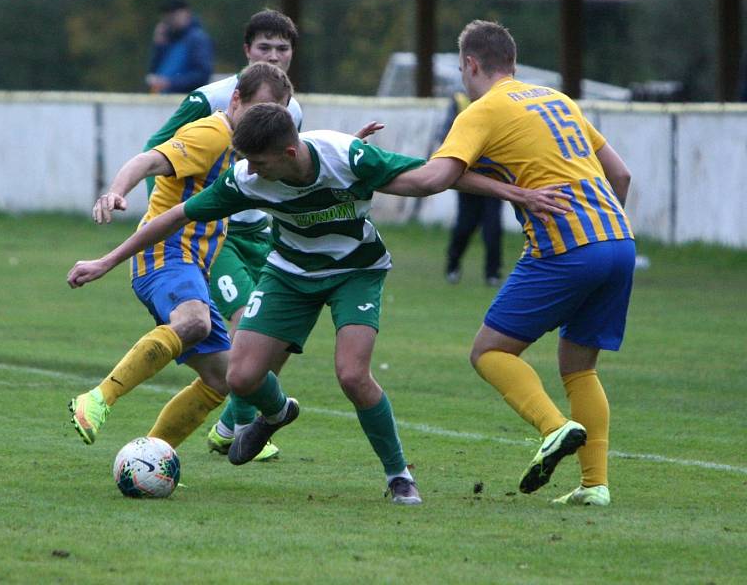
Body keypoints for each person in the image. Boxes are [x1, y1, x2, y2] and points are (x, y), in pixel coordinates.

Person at [67, 102, 569, 504]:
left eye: (259, 162)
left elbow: (431, 179)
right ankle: (275, 413)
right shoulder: (248, 178)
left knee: (352, 374)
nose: (250, 171)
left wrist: (514, 194)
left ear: (289, 151)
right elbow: (172, 217)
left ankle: (399, 477)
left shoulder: (347, 157)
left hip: (356, 271)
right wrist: (106, 262)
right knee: (239, 378)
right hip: (289, 274)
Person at [379, 20, 635, 507]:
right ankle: (595, 485)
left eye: (461, 69)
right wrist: (598, 230)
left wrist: (363, 165)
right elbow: (620, 173)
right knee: (579, 368)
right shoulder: (556, 99)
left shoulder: (484, 109)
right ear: (512, 63)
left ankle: (555, 427)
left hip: (565, 246)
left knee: (489, 351)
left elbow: (435, 177)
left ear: (471, 65)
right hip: (618, 240)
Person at [68, 63, 293, 454]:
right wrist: (116, 192)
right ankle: (97, 400)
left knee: (222, 379)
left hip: (193, 265)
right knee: (194, 321)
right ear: (236, 100)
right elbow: (149, 160)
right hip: (166, 253)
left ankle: (151, 456)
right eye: (259, 110)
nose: (265, 122)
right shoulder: (212, 132)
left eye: (275, 115)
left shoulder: (249, 151)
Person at [143, 9, 303, 461]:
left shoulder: (293, 109)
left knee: (276, 339)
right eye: (264, 47)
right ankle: (234, 426)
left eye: (282, 48)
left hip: (266, 236)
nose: (274, 55)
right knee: (243, 333)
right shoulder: (208, 99)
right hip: (218, 238)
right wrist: (177, 216)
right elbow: (154, 153)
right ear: (247, 51)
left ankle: (232, 425)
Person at [441, 91, 503, 286]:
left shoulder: (502, 101)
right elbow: (445, 136)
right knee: (465, 226)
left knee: (492, 228)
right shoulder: (460, 99)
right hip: (468, 177)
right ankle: (453, 264)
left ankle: (492, 273)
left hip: (494, 176)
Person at [146, 0, 214, 95]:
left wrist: (170, 83)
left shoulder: (197, 39)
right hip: (163, 100)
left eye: (174, 15)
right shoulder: (168, 39)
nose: (170, 20)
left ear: (186, 13)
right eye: (167, 16)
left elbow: (202, 75)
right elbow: (154, 72)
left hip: (186, 102)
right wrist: (159, 46)